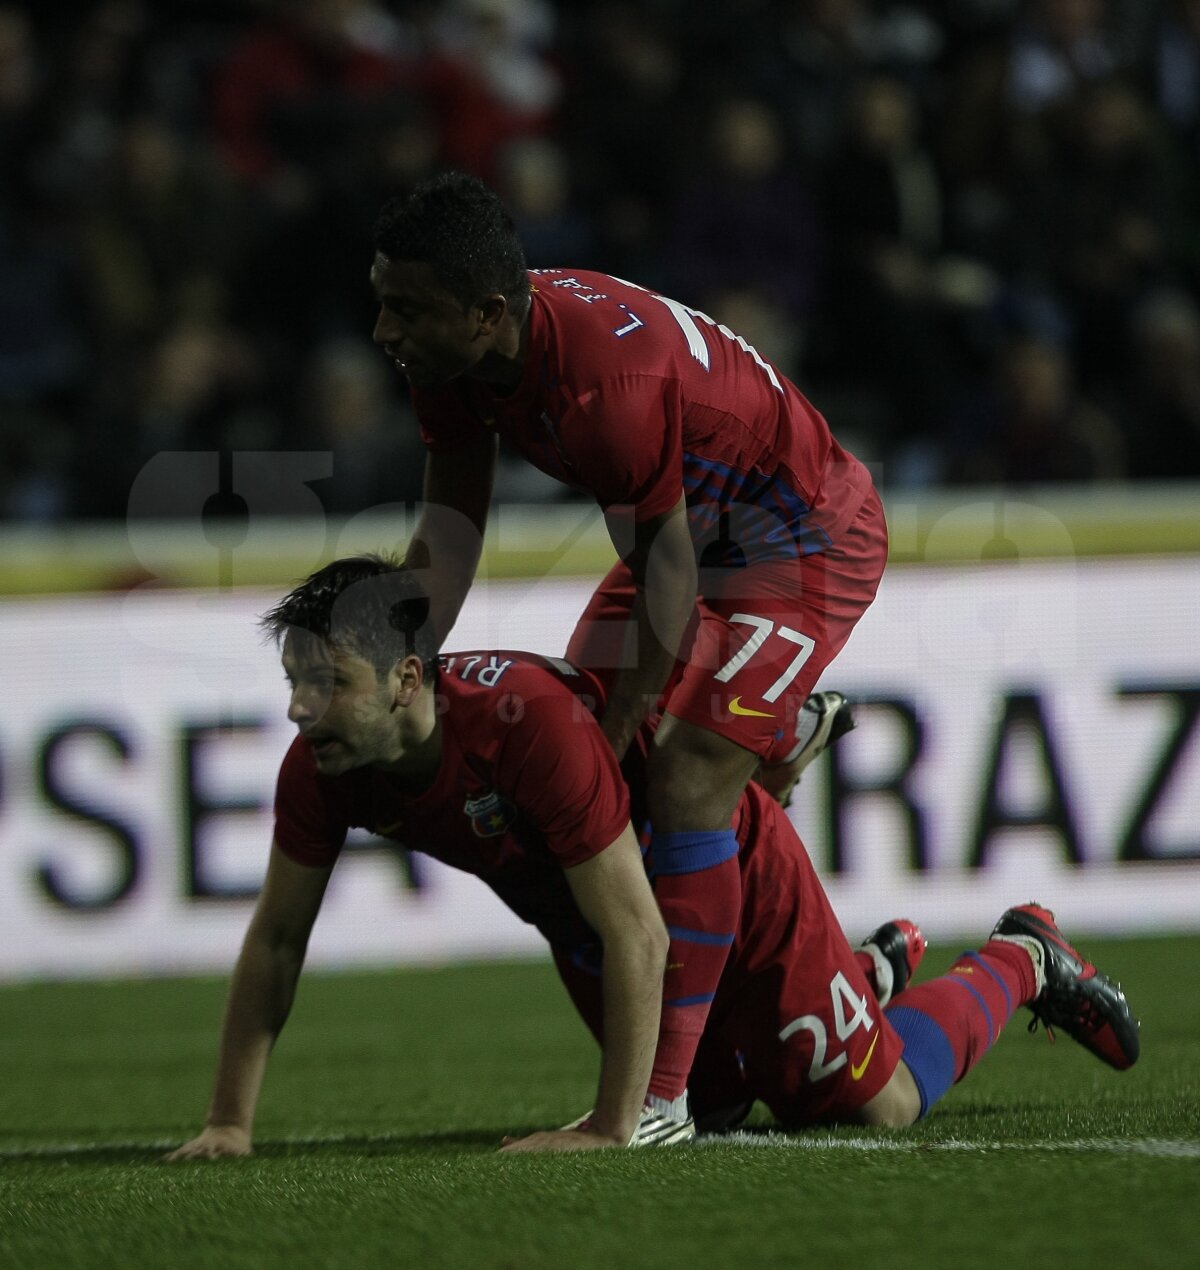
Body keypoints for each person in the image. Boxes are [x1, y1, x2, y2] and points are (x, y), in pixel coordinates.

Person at [167, 556, 1140, 1159]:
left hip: (718, 888)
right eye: (295, 682)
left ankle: (1021, 956)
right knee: (712, 1110)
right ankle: (864, 977)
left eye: (325, 682)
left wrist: (608, 1126)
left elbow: (641, 923)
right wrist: (229, 1122)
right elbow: (279, 939)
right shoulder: (328, 763)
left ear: (408, 678)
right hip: (595, 928)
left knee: (869, 1106)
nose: (299, 709)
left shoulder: (525, 729)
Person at [369, 170, 886, 1107]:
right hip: (695, 532)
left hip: (803, 533)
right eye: (381, 304)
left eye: (406, 310)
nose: (384, 333)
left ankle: (661, 1102)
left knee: (676, 774)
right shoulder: (461, 359)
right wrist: (396, 672)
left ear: (486, 313)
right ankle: (772, 753)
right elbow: (449, 534)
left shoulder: (605, 388)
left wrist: (605, 753)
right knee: (597, 752)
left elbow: (670, 583)